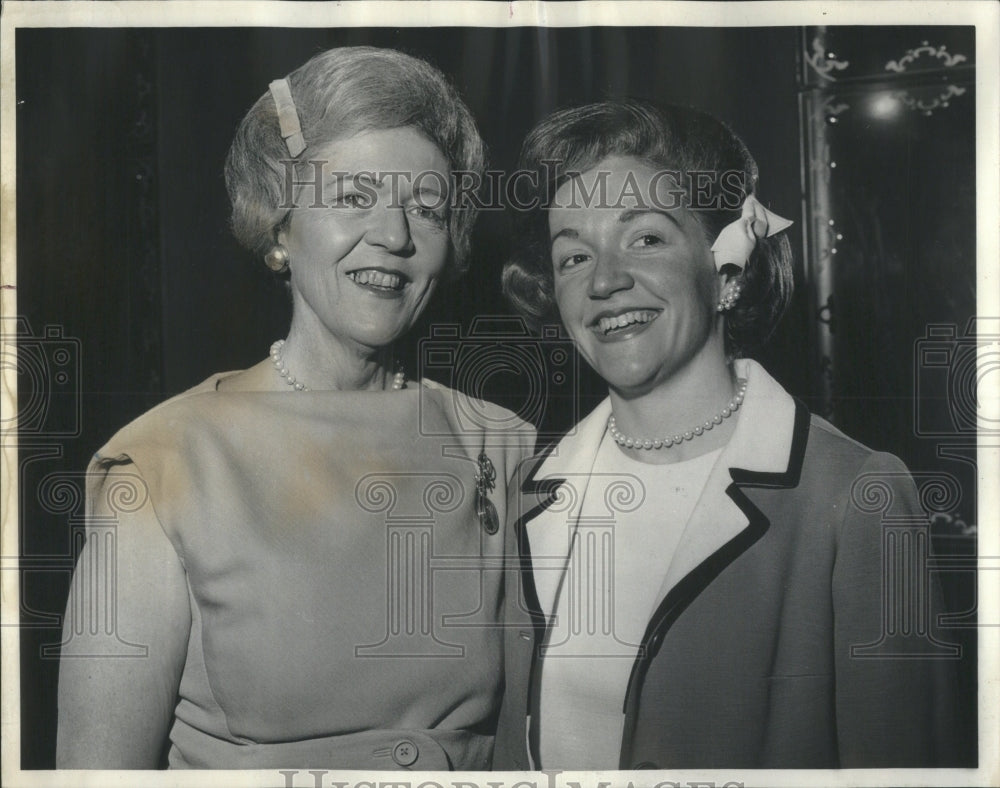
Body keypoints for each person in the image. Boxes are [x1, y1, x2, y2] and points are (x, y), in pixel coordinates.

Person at [56, 46, 532, 770]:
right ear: (280, 227)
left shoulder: (501, 446)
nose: (395, 235)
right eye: (352, 198)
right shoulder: (163, 463)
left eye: (426, 209)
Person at [493, 100, 965, 769]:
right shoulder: (527, 490)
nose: (604, 280)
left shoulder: (857, 495)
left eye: (646, 239)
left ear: (727, 272)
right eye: (573, 256)